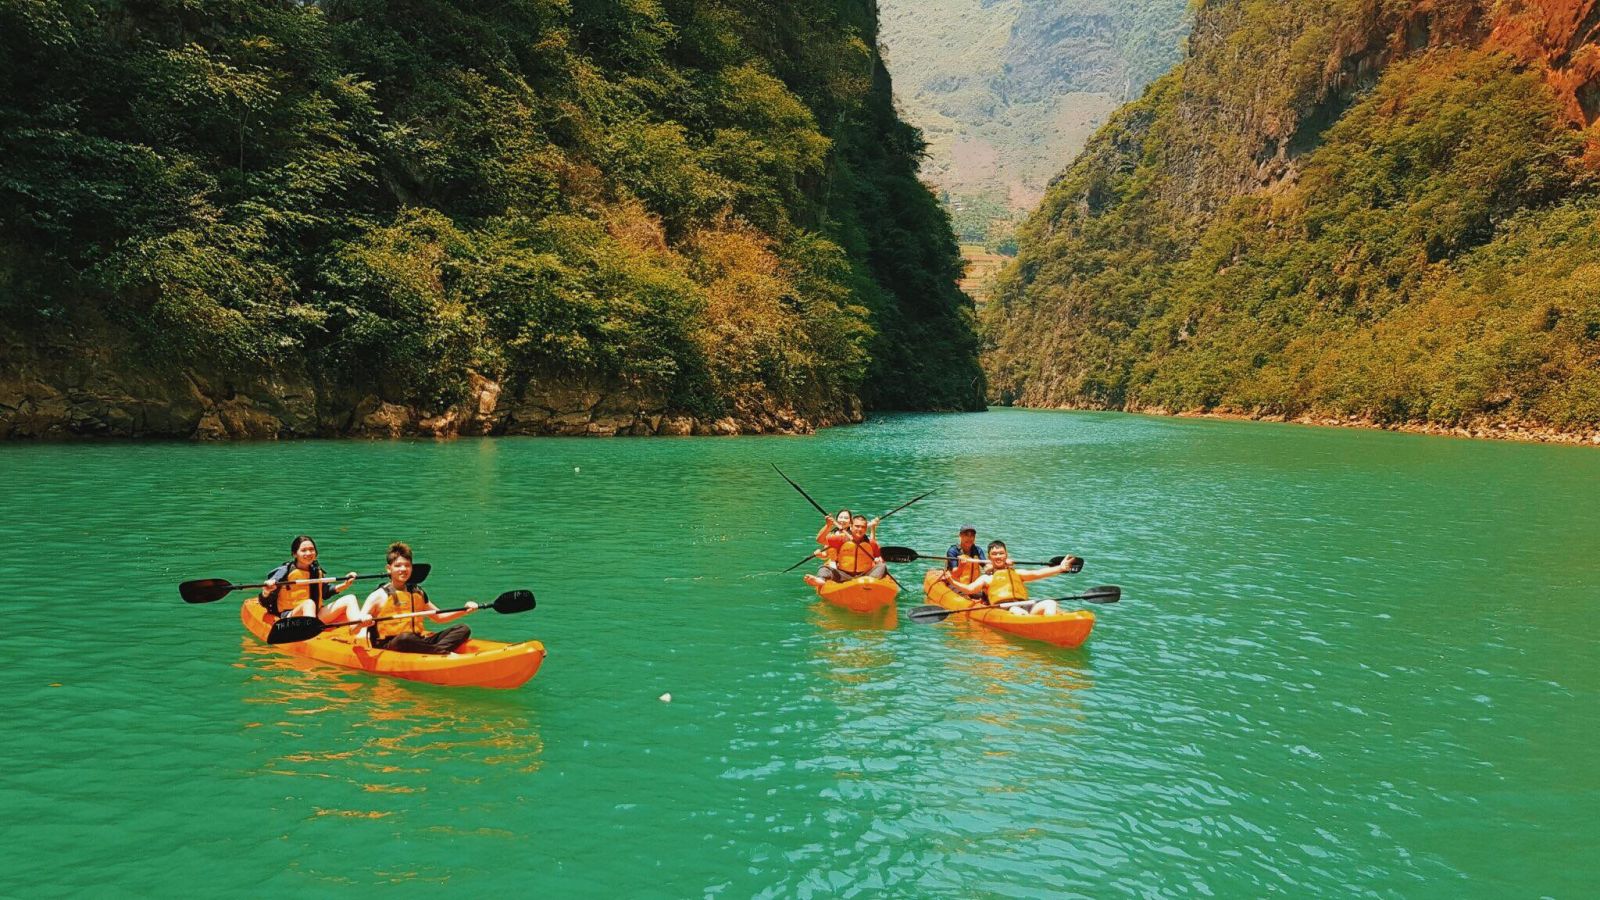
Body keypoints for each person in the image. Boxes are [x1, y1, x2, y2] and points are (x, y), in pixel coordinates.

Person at [352, 542, 477, 654]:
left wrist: (464, 610)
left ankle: (434, 651)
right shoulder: (378, 596)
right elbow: (353, 629)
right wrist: (363, 622)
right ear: (389, 569)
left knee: (463, 629)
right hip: (391, 645)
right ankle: (442, 652)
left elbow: (439, 617)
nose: (403, 569)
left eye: (407, 565)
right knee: (405, 638)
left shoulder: (417, 592)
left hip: (418, 641)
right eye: (398, 566)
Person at [940, 540, 1081, 616]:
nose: (998, 556)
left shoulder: (1017, 573)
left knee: (1050, 603)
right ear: (989, 558)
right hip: (1006, 609)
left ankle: (1052, 626)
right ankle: (1035, 626)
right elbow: (969, 590)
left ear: (1006, 555)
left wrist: (1061, 568)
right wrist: (952, 581)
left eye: (1001, 553)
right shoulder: (987, 579)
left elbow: (1039, 573)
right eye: (994, 554)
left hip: (1026, 605)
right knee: (1016, 611)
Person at [259, 535, 362, 623]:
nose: (308, 553)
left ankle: (360, 631)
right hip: (290, 617)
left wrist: (345, 585)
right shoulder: (284, 572)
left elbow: (324, 592)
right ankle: (310, 634)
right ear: (295, 554)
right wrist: (266, 591)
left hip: (315, 614)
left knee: (350, 598)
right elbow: (265, 602)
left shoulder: (316, 571)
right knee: (309, 603)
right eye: (303, 550)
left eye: (311, 549)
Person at [805, 514, 887, 585]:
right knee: (824, 568)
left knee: (882, 566)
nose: (860, 529)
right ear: (851, 526)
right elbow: (820, 540)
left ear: (866, 529)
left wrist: (879, 560)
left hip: (865, 575)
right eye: (857, 526)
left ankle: (870, 582)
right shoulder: (841, 539)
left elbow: (881, 559)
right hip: (843, 575)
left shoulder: (871, 543)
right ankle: (821, 580)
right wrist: (828, 526)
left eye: (863, 527)